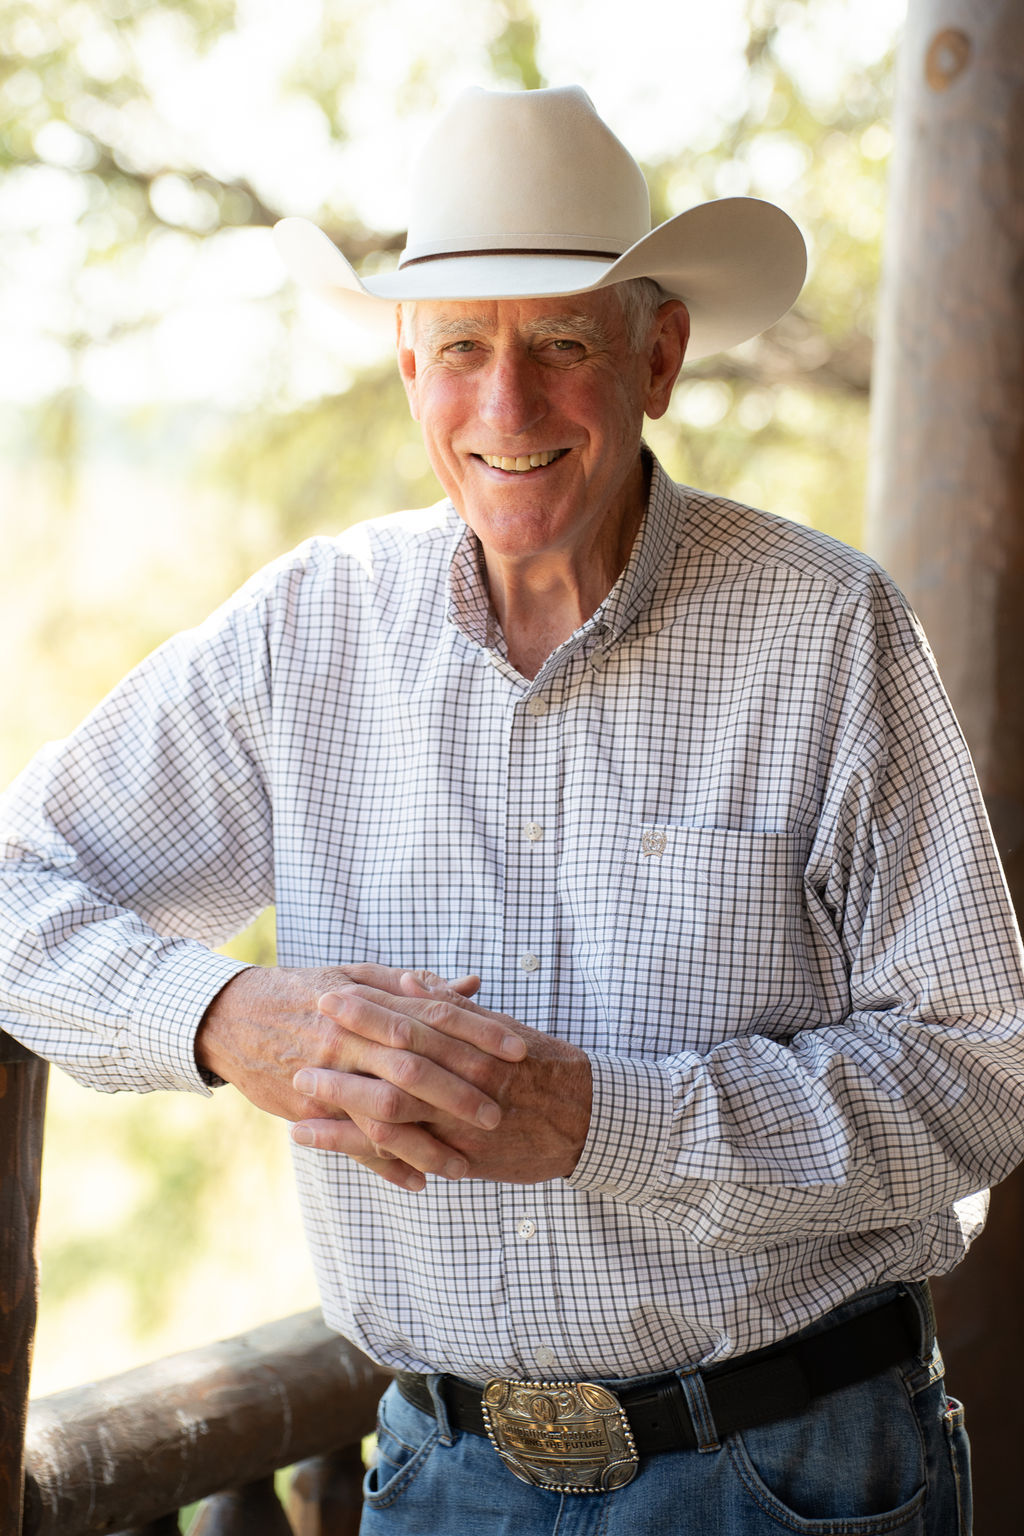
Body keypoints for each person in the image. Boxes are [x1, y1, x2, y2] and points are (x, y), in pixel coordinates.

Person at [1, 83, 1021, 1534]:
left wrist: (607, 1120)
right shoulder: (306, 636)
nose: (508, 407)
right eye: (464, 349)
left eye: (559, 344)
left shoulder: (829, 632)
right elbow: (13, 887)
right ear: (411, 371)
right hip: (443, 1480)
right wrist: (228, 1022)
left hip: (787, 1477)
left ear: (656, 356)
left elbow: (980, 1074)